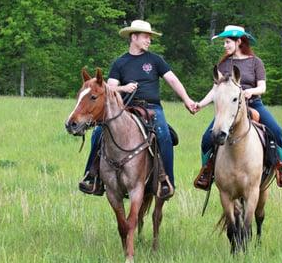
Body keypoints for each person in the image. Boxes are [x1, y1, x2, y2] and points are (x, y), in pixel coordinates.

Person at [78, 20, 197, 199]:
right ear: (134, 37)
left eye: (150, 38)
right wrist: (124, 88)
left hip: (152, 108)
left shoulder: (155, 60)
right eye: (146, 37)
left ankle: (166, 181)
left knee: (164, 135)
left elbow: (172, 80)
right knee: (97, 133)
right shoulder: (120, 62)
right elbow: (108, 88)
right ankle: (92, 176)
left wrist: (187, 100)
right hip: (126, 109)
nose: (149, 41)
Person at [193, 25, 282, 188]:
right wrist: (200, 104)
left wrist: (250, 92)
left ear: (239, 42)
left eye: (227, 42)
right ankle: (207, 171)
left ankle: (281, 167)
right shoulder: (223, 65)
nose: (224, 46)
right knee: (207, 138)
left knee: (277, 132)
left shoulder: (256, 62)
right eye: (224, 42)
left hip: (253, 103)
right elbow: (215, 90)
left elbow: (262, 87)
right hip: (229, 109)